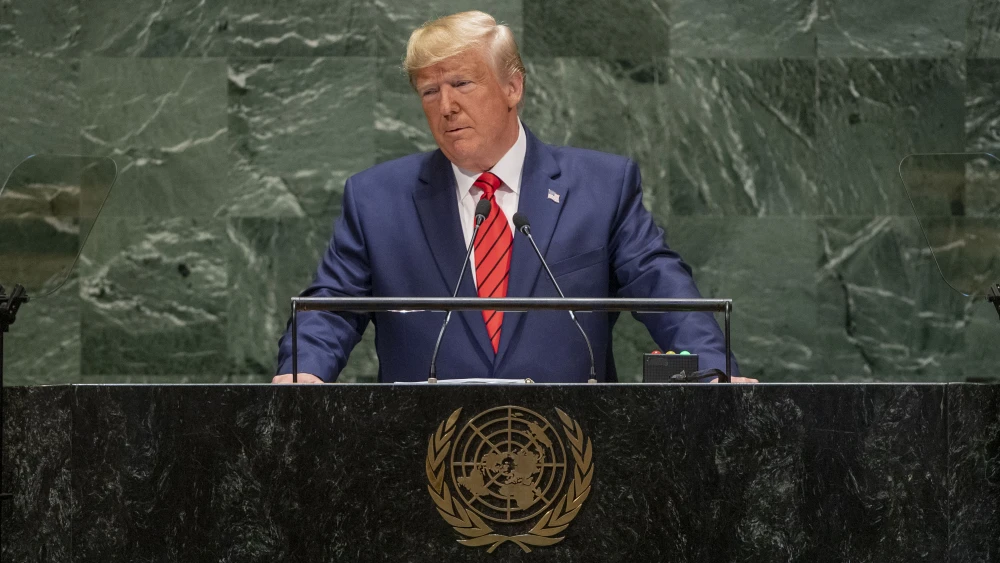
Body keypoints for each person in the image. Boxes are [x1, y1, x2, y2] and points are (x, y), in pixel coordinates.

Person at [273, 11, 755, 384]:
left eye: (462, 83)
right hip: (422, 466)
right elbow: (331, 306)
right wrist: (304, 370)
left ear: (512, 86)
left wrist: (713, 369)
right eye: (429, 91)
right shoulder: (377, 199)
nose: (447, 106)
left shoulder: (601, 186)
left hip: (573, 460)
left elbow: (661, 287)